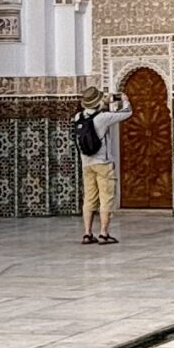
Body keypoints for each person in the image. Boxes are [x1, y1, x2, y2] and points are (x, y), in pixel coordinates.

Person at [76, 85, 130, 246]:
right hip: (103, 163)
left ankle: (87, 233)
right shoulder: (103, 118)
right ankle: (104, 234)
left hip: (86, 163)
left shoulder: (78, 117)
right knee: (106, 198)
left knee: (89, 198)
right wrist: (125, 101)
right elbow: (127, 113)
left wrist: (103, 103)